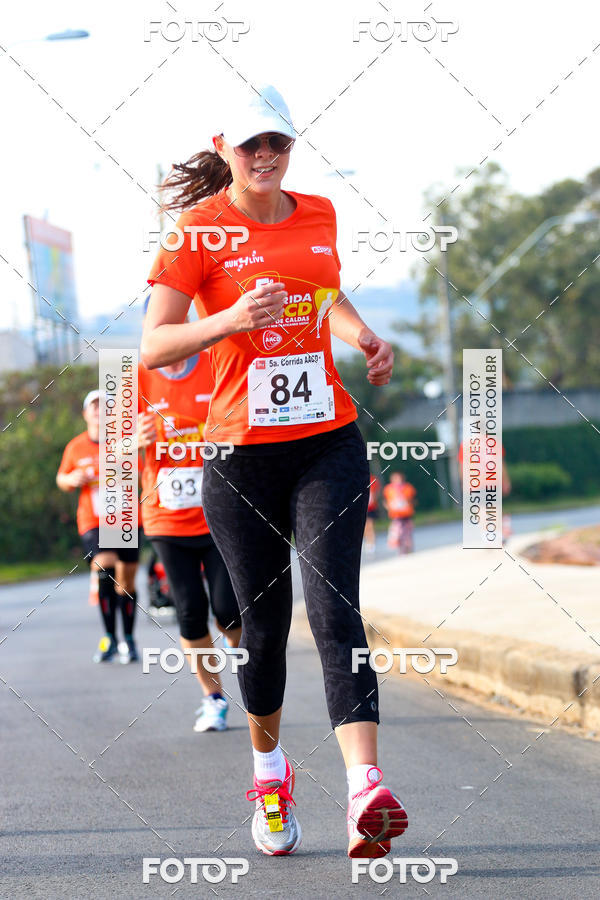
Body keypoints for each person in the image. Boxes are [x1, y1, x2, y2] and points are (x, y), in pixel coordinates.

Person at [141, 84, 407, 858]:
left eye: (280, 144)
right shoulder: (196, 233)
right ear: (224, 144)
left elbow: (326, 293)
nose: (267, 157)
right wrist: (229, 319)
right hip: (238, 453)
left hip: (328, 439)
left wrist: (362, 334)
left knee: (335, 608)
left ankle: (367, 788)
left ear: (293, 147)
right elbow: (154, 345)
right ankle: (270, 774)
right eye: (253, 144)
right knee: (263, 626)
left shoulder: (319, 213)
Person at [137, 348, 242, 731]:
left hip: (217, 514)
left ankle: (247, 670)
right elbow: (111, 456)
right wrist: (133, 440)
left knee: (228, 610)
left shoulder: (215, 363)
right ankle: (213, 698)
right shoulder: (134, 377)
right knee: (190, 612)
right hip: (165, 519)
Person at [56, 390, 140, 663]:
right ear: (85, 414)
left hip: (126, 517)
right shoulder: (75, 447)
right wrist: (72, 478)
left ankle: (127, 639)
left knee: (125, 581)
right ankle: (109, 638)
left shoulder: (125, 442)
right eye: (93, 406)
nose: (98, 410)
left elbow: (140, 474)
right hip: (93, 520)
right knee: (105, 566)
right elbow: (62, 479)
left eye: (104, 406)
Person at [383, 472, 417, 554]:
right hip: (396, 515)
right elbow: (385, 501)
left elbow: (414, 500)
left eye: (399, 478)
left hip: (407, 514)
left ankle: (408, 547)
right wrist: (389, 507)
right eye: (395, 479)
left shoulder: (408, 487)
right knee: (397, 531)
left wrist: (408, 502)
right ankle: (400, 548)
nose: (398, 480)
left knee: (407, 531)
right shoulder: (388, 489)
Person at [363, 471, 381, 554]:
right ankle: (368, 542)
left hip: (371, 507)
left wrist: (374, 501)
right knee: (364, 527)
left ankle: (372, 543)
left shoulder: (372, 479)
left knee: (370, 525)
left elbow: (376, 492)